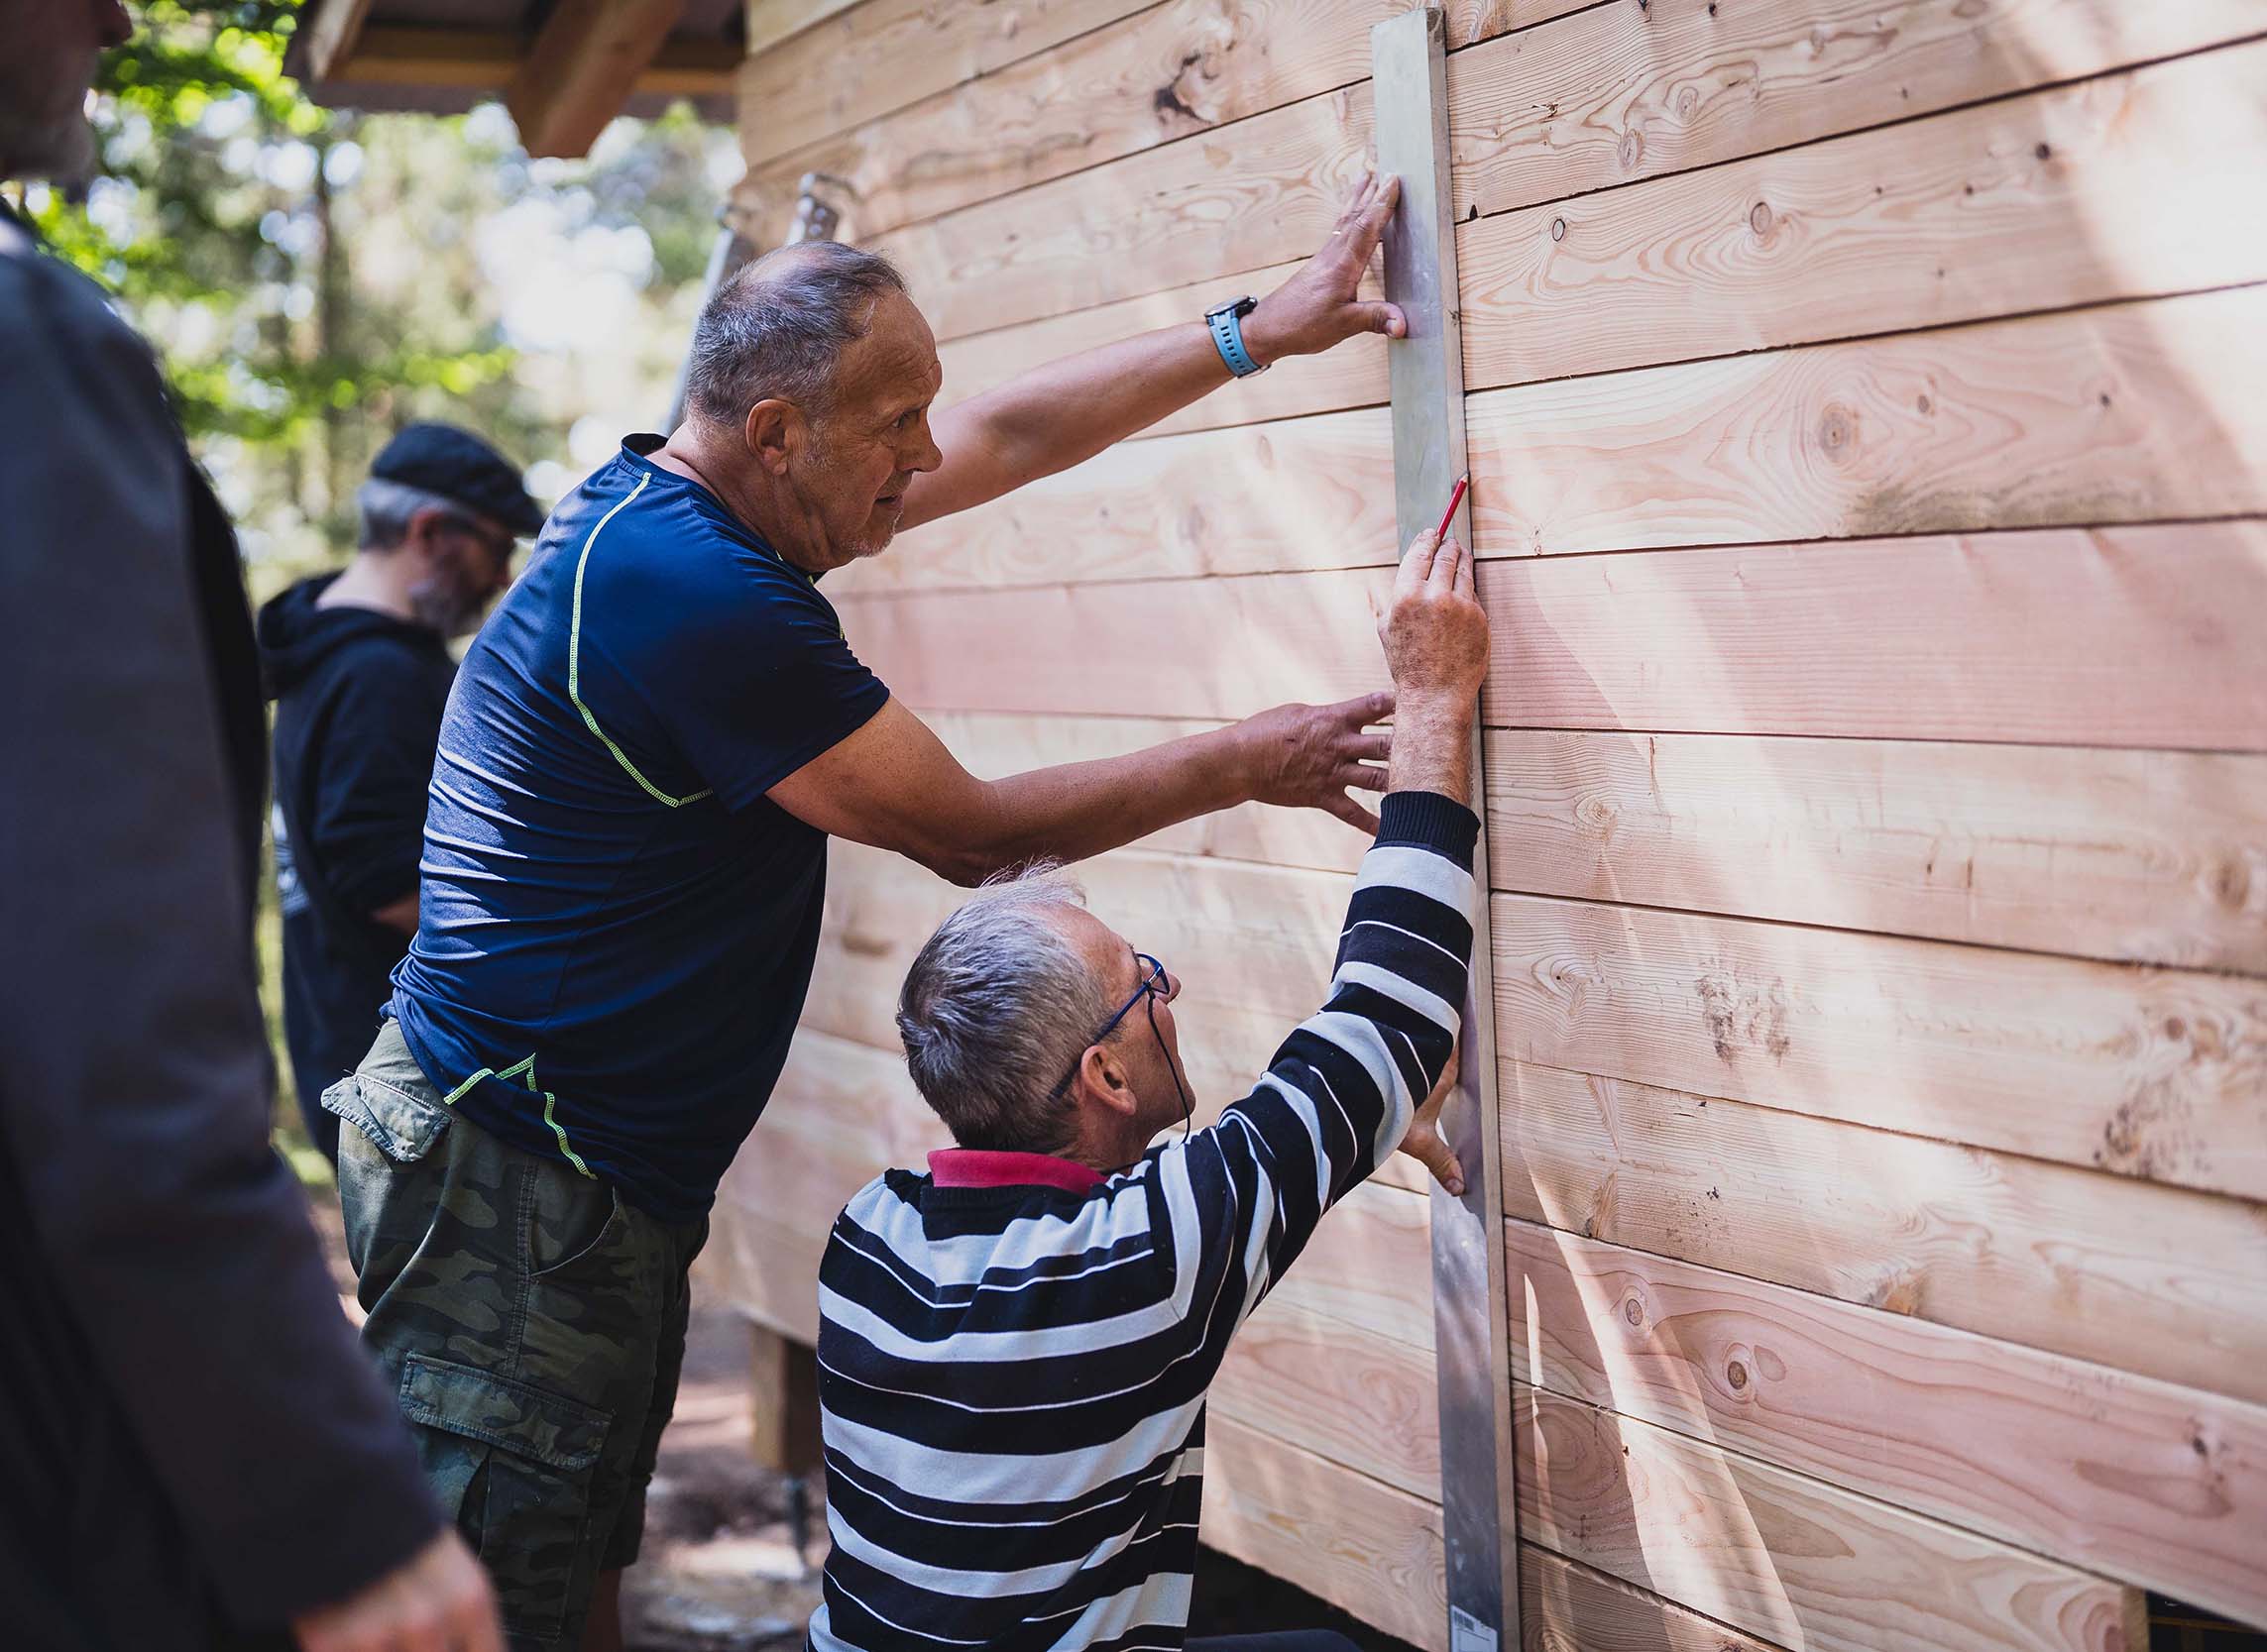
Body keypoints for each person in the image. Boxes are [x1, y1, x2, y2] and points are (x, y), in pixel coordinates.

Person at [331, 182, 1416, 1651]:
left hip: (572, 1165)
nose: (927, 453)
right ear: (779, 432)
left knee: (575, 1558)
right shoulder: (695, 595)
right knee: (500, 1590)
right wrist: (1250, 758)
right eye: (897, 425)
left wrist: (1252, 334)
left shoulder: (684, 504)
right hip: (515, 1168)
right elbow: (971, 833)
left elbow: (1005, 433)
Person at [0, 2, 501, 1648]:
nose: (114, 19)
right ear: (435, 537)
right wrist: (333, 1513)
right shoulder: (24, 344)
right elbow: (113, 1026)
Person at [808, 530, 1489, 1651]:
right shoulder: (1145, 1255)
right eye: (1143, 984)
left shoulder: (870, 1241)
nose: (1170, 990)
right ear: (1106, 1074)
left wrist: (1364, 1112)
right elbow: (1393, 1010)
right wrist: (1430, 698)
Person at [263, 424, 543, 1159]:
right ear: (429, 531)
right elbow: (386, 886)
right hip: (405, 1093)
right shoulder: (377, 676)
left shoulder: (326, 655)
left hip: (357, 1062)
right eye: (495, 546)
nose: (502, 576)